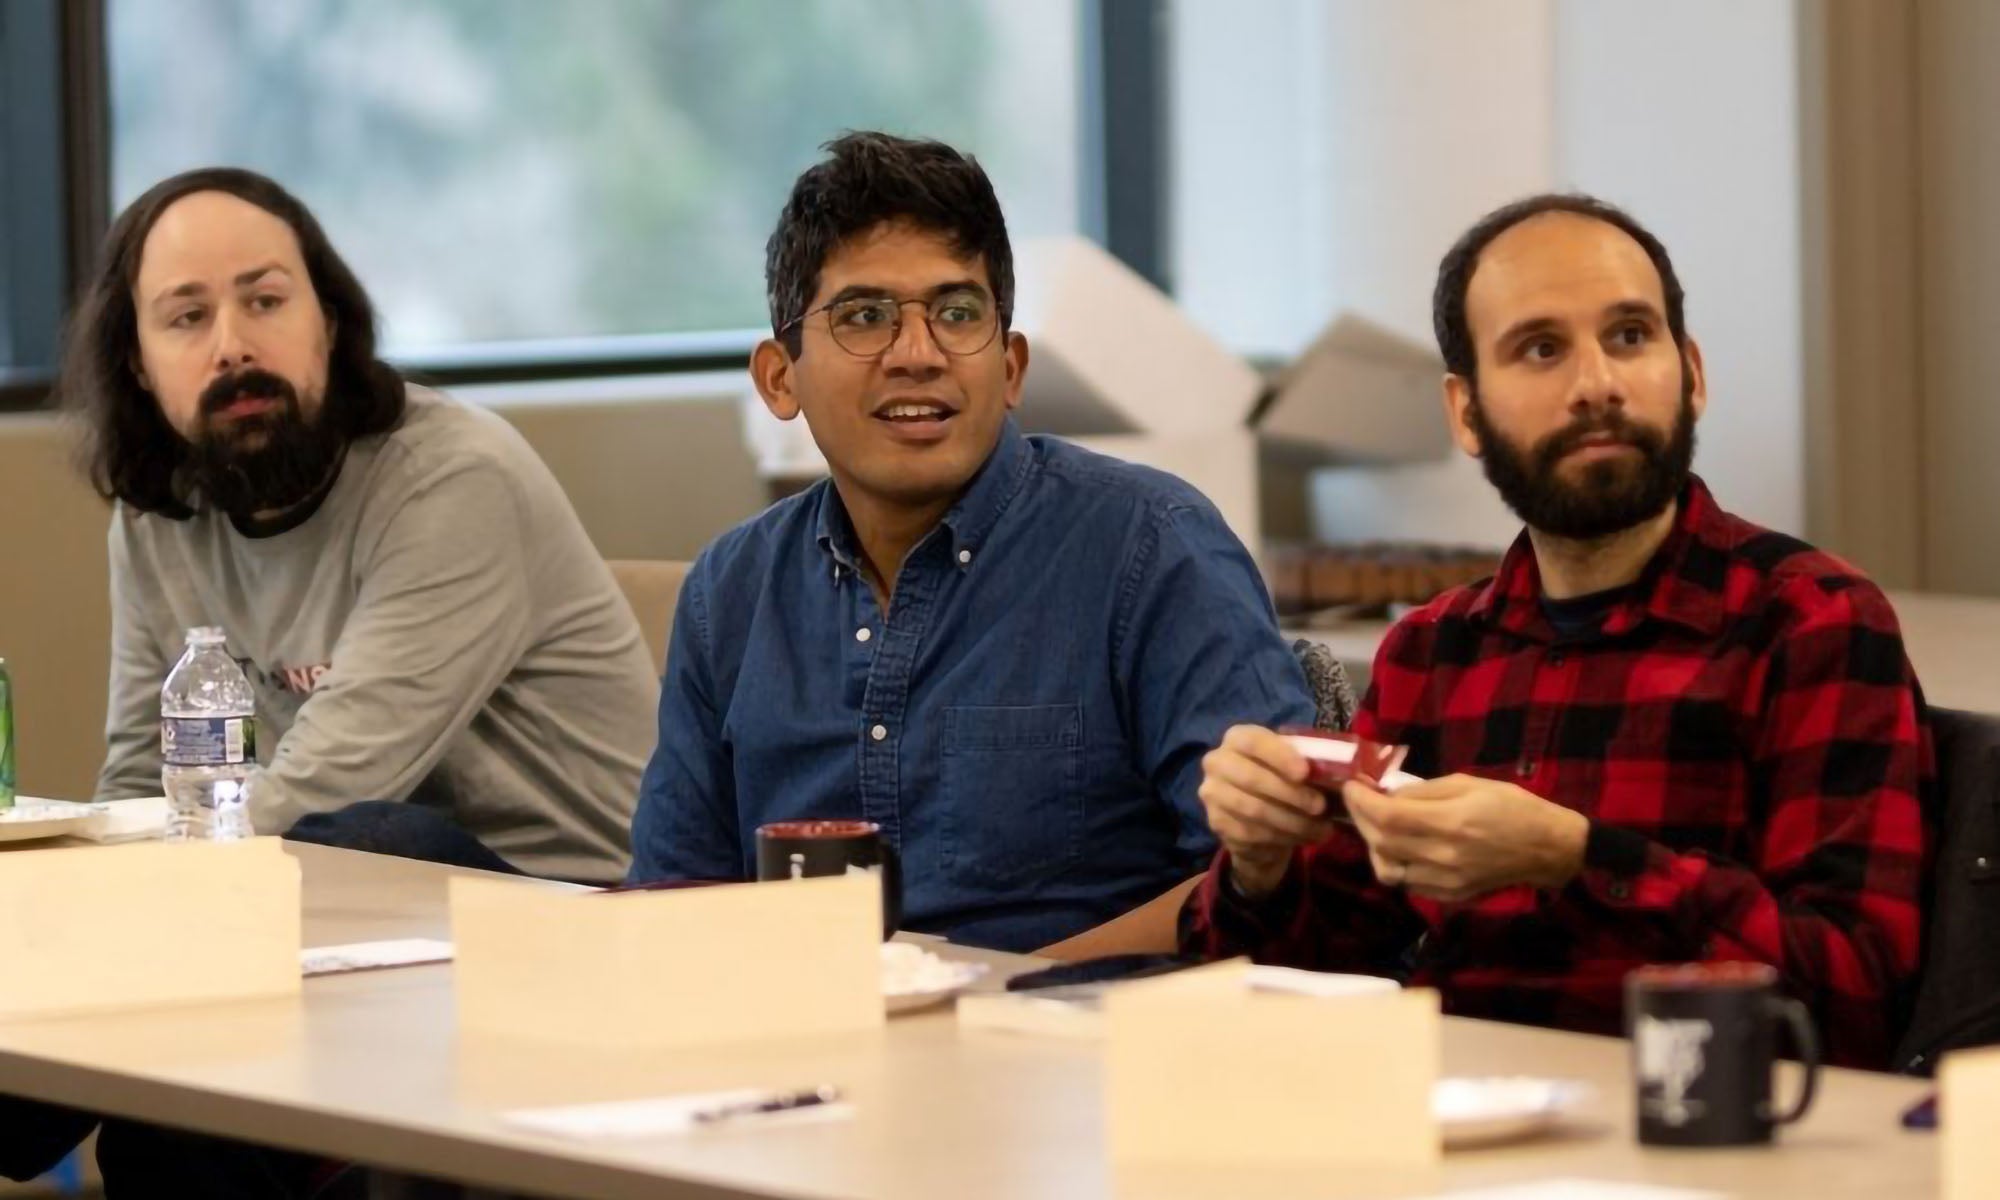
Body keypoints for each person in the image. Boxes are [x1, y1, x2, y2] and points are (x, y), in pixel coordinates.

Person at [1184, 193, 1931, 1069]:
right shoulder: (1434, 651)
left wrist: (1574, 859)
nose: (1598, 385)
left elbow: (1856, 994)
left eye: (1629, 337)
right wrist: (1259, 866)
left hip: (1698, 1135)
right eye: (1541, 349)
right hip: (1451, 1128)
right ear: (1466, 413)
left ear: (1691, 373)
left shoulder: (1812, 622)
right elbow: (1312, 971)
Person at [628, 132, 1314, 952]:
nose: (917, 355)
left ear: (1012, 367)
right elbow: (676, 897)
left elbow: (1271, 879)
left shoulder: (1151, 548)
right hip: (808, 1047)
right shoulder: (731, 590)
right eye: (865, 316)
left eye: (957, 314)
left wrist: (987, 995)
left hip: (1082, 1050)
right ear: (781, 377)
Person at [71, 166, 658, 885]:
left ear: (330, 321)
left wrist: (161, 888)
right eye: (187, 317)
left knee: (365, 831)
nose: (232, 346)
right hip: (331, 889)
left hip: (578, 898)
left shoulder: (452, 478)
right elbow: (141, 779)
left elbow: (337, 780)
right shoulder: (155, 514)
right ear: (137, 361)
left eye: (265, 300)